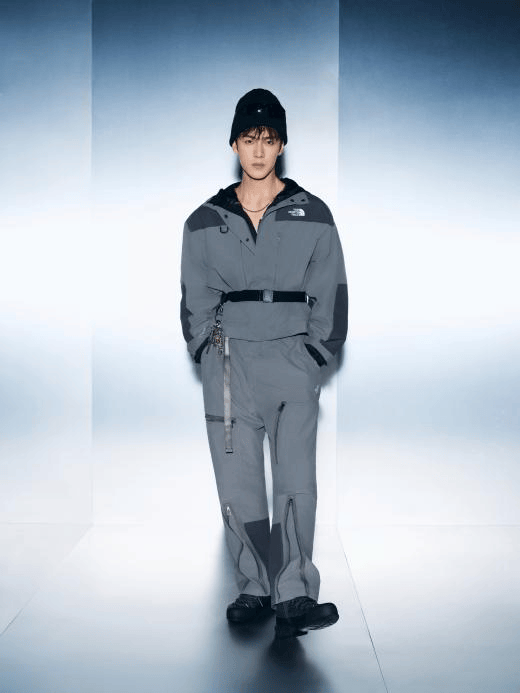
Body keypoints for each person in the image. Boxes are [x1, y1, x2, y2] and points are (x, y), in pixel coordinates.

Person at [180, 89, 348, 639]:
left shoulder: (313, 214)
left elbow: (332, 289)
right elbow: (194, 296)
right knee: (238, 482)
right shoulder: (204, 221)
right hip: (229, 367)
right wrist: (207, 351)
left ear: (281, 145)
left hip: (291, 362)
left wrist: (314, 354)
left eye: (269, 139)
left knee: (296, 479)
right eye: (249, 139)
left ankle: (294, 591)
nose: (258, 150)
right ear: (234, 144)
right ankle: (254, 586)